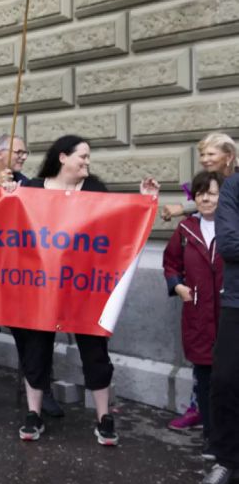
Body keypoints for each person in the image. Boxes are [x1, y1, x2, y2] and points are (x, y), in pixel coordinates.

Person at [12, 135, 159, 445]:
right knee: (36, 350)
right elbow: (11, 225)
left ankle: (104, 417)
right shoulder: (33, 189)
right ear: (62, 157)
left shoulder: (94, 189)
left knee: (95, 351)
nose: (87, 162)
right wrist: (7, 194)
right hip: (42, 288)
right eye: (83, 156)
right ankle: (33, 414)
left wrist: (145, 200)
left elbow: (119, 221)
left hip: (86, 288)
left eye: (88, 157)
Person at [0, 134, 63, 417]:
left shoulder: (28, 184)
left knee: (28, 333)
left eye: (25, 153)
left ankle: (40, 389)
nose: (23, 157)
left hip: (15, 272)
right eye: (19, 152)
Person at [163, 171, 223, 459]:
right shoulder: (185, 230)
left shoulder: (232, 226)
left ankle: (228, 438)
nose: (206, 198)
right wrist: (178, 287)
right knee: (206, 379)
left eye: (212, 193)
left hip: (229, 316)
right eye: (200, 194)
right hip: (198, 316)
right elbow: (170, 263)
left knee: (229, 382)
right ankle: (212, 439)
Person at [203, 169, 239, 484]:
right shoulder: (234, 186)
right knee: (225, 380)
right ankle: (227, 460)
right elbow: (229, 244)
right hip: (237, 304)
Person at [162, 133, 236, 223]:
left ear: (229, 157)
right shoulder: (206, 179)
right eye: (202, 155)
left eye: (211, 154)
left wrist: (184, 208)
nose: (204, 160)